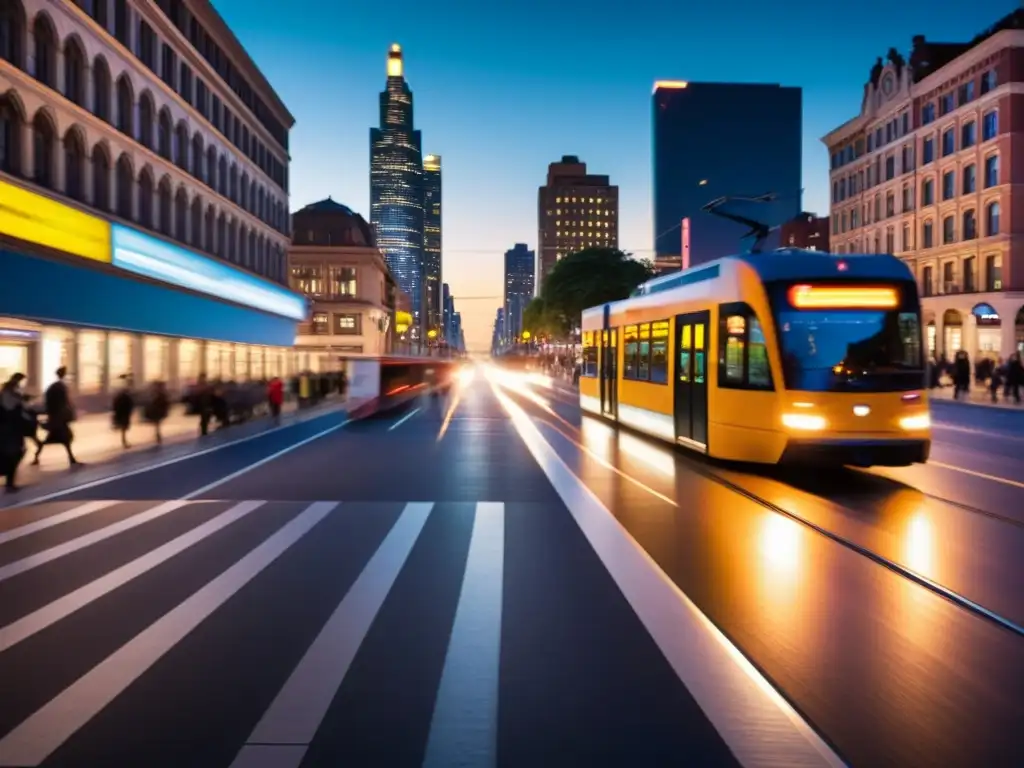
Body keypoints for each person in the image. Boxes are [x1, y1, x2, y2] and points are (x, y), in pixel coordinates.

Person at [33, 367, 80, 467]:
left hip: (56, 416)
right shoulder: (60, 386)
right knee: (65, 438)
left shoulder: (55, 386)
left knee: (60, 439)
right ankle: (71, 459)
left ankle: (37, 456)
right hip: (58, 416)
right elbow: (64, 401)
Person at [0, 373, 30, 492]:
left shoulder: (5, 395)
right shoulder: (13, 397)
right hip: (11, 431)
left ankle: (9, 481)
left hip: (7, 431)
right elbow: (20, 412)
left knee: (11, 454)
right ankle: (9, 482)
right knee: (15, 454)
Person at [112, 374, 135, 449]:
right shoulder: (123, 391)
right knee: (123, 427)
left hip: (124, 411)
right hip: (123, 411)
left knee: (123, 427)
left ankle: (124, 441)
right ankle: (124, 441)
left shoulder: (122, 391)